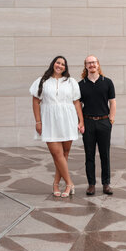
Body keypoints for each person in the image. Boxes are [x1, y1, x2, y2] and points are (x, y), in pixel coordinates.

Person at [30, 55, 84, 198]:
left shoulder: (71, 82)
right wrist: (38, 121)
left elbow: (76, 102)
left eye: (63, 64)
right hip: (49, 121)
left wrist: (81, 121)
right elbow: (36, 102)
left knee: (64, 154)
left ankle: (55, 183)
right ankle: (69, 183)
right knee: (56, 154)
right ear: (53, 64)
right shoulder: (42, 81)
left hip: (68, 119)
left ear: (65, 67)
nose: (60, 65)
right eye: (58, 62)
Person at [79, 55, 116, 196]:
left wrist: (110, 121)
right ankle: (91, 184)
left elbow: (112, 102)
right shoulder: (80, 85)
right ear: (86, 66)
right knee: (89, 155)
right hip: (88, 123)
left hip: (104, 122)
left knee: (105, 154)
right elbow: (78, 105)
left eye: (93, 62)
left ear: (98, 64)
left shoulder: (107, 82)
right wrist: (81, 122)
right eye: (89, 63)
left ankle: (106, 184)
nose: (91, 65)